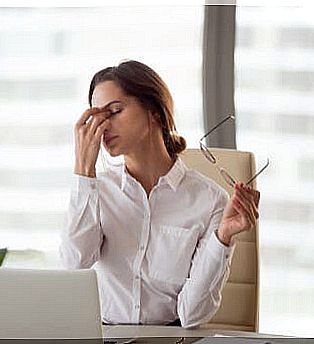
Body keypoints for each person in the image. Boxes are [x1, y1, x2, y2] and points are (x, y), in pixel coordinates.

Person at [59, 60, 260, 328]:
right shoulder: (97, 191)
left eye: (115, 111)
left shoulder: (210, 201)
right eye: (98, 117)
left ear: (153, 110)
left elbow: (191, 316)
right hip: (103, 334)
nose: (103, 127)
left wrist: (222, 238)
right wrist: (83, 171)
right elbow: (74, 265)